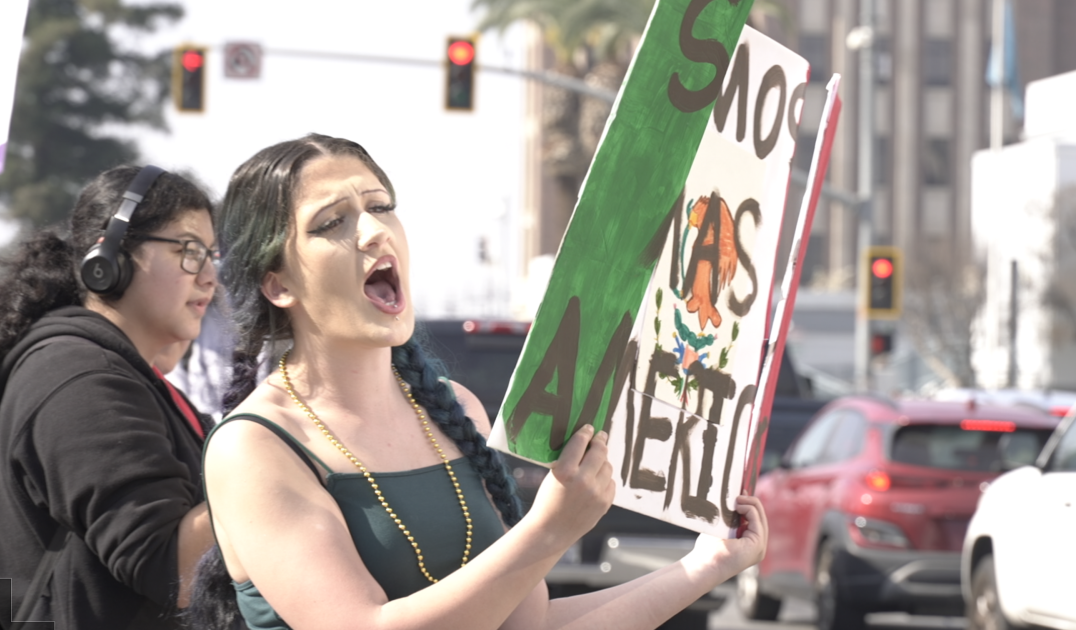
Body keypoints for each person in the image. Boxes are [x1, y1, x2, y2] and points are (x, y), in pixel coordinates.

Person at [195, 133, 768, 630]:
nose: (373, 232)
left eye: (381, 206)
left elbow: (527, 625)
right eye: (331, 223)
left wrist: (705, 566)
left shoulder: (456, 411)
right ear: (278, 285)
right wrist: (549, 530)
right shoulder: (254, 447)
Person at [0, 165, 219, 628]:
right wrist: (277, 459)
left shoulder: (108, 371)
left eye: (211, 255)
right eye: (188, 251)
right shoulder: (80, 378)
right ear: (109, 258)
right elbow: (175, 568)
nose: (209, 277)